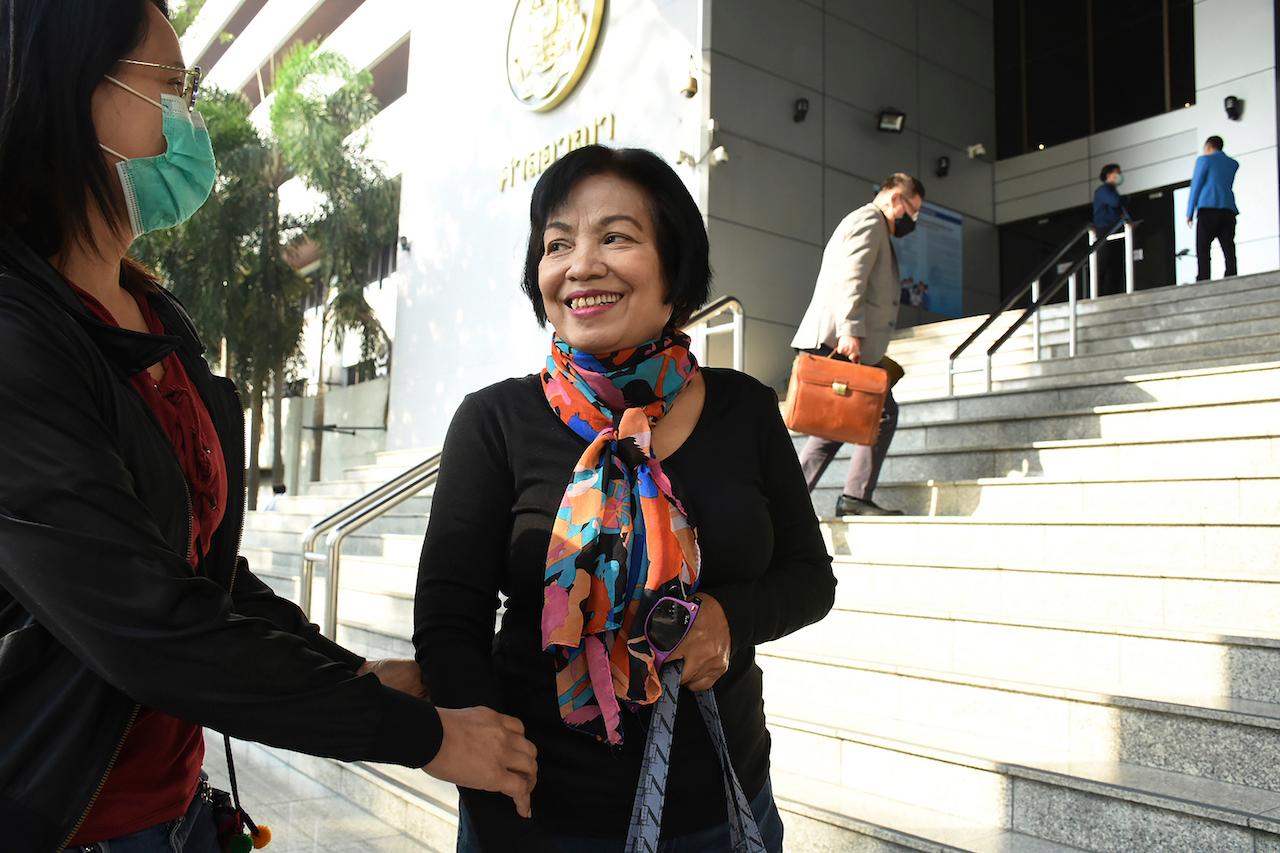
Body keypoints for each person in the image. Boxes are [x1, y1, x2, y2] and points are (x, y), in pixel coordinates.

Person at [0, 4, 535, 851]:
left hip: (176, 812)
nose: (191, 120)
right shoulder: (18, 337)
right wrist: (424, 737)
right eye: (171, 87)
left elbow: (202, 568)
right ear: (74, 91)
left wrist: (353, 673)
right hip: (67, 823)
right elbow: (151, 624)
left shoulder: (153, 316)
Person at [414, 144, 836, 852]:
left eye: (615, 237)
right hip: (537, 817)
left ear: (675, 266)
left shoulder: (745, 409)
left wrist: (728, 619)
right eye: (557, 244)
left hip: (722, 805)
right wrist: (488, 780)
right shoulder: (495, 421)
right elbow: (449, 622)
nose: (580, 265)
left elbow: (810, 579)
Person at [791, 173, 925, 517]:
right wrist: (850, 331)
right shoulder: (870, 221)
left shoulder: (868, 222)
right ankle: (854, 496)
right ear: (895, 199)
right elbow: (852, 277)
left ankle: (785, 506)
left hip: (843, 339)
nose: (913, 220)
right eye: (913, 211)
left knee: (838, 424)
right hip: (842, 340)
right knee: (881, 412)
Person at [1187, 135, 1240, 281]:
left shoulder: (1204, 160)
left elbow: (1196, 186)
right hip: (1228, 209)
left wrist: (1190, 212)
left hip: (1208, 209)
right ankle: (1231, 275)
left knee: (1203, 248)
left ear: (1208, 147)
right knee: (1228, 247)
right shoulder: (1233, 164)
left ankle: (1203, 278)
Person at [1092, 163, 1130, 296]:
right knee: (1105, 263)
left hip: (1115, 229)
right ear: (1109, 175)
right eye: (1117, 173)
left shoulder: (1112, 191)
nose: (1120, 175)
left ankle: (1115, 292)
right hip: (1105, 230)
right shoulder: (1103, 190)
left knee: (1116, 265)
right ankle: (1101, 294)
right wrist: (1125, 198)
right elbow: (1115, 202)